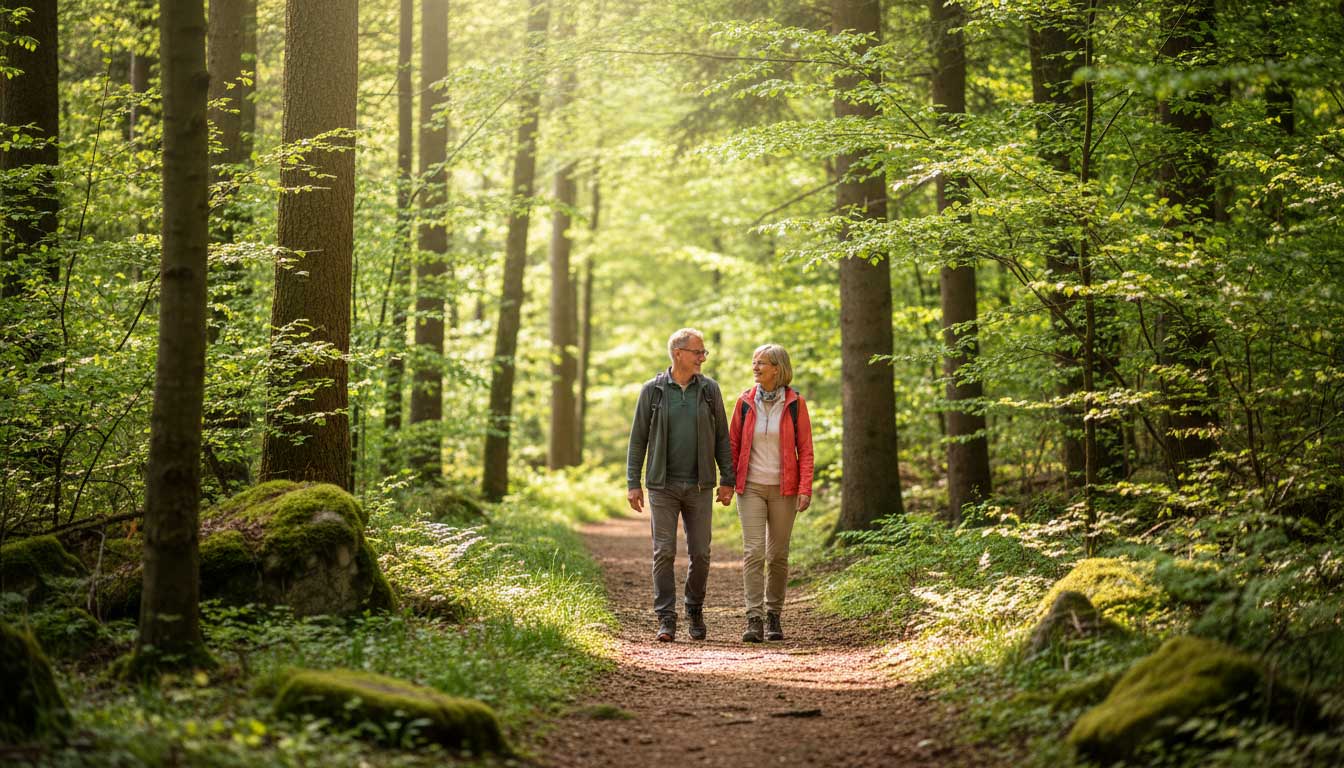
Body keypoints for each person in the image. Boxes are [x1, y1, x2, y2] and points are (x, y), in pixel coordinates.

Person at [626, 328, 735, 642]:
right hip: (662, 486)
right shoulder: (653, 391)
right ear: (678, 354)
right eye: (697, 352)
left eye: (703, 353)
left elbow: (722, 439)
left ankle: (694, 608)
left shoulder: (710, 390)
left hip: (700, 486)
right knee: (664, 551)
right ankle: (666, 617)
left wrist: (727, 479)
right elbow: (638, 441)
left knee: (701, 553)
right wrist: (633, 482)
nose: (702, 358)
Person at [728, 343, 814, 642]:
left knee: (777, 555)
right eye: (754, 362)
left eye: (761, 363)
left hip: (784, 490)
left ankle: (774, 615)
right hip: (750, 487)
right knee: (754, 552)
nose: (755, 367)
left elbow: (805, 450)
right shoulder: (744, 402)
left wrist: (805, 488)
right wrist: (728, 483)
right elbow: (733, 446)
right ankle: (754, 618)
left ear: (777, 368)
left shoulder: (795, 404)